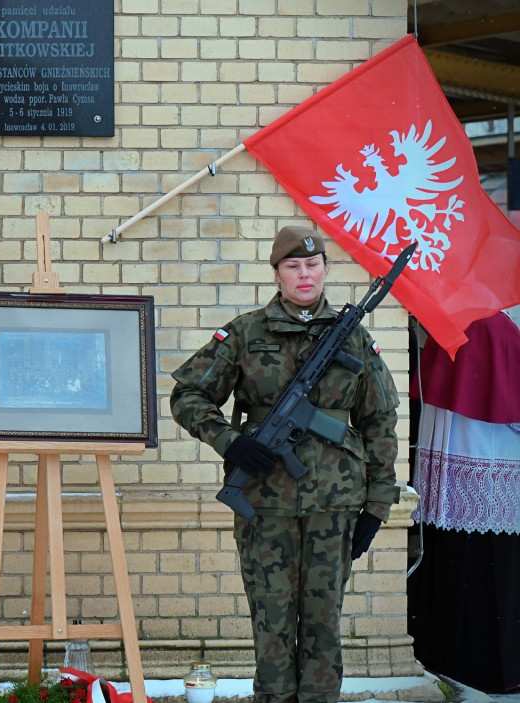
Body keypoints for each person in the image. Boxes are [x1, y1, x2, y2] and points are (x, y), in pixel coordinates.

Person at [169, 226, 399, 703]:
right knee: (271, 624)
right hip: (264, 505)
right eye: (293, 267)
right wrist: (230, 442)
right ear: (277, 274)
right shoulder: (245, 332)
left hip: (334, 505)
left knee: (323, 623)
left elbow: (379, 422)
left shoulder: (354, 338)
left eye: (312, 265)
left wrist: (377, 505)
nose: (304, 274)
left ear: (325, 270)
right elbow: (187, 394)